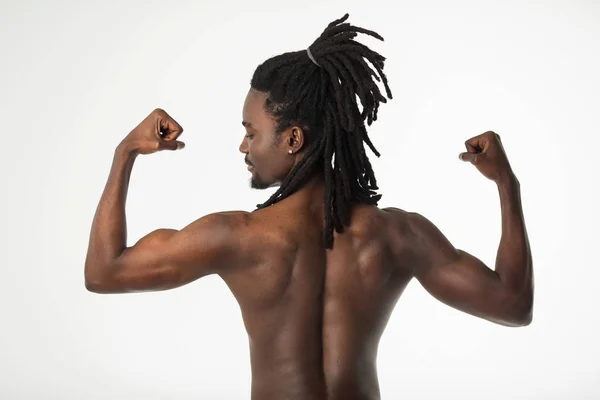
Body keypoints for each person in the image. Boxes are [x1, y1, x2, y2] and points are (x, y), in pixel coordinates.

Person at [84, 13, 533, 400]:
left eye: (251, 131)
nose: (243, 145)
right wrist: (506, 185)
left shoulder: (237, 236)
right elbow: (512, 304)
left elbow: (104, 273)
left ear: (293, 139)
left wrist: (125, 152)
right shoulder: (395, 234)